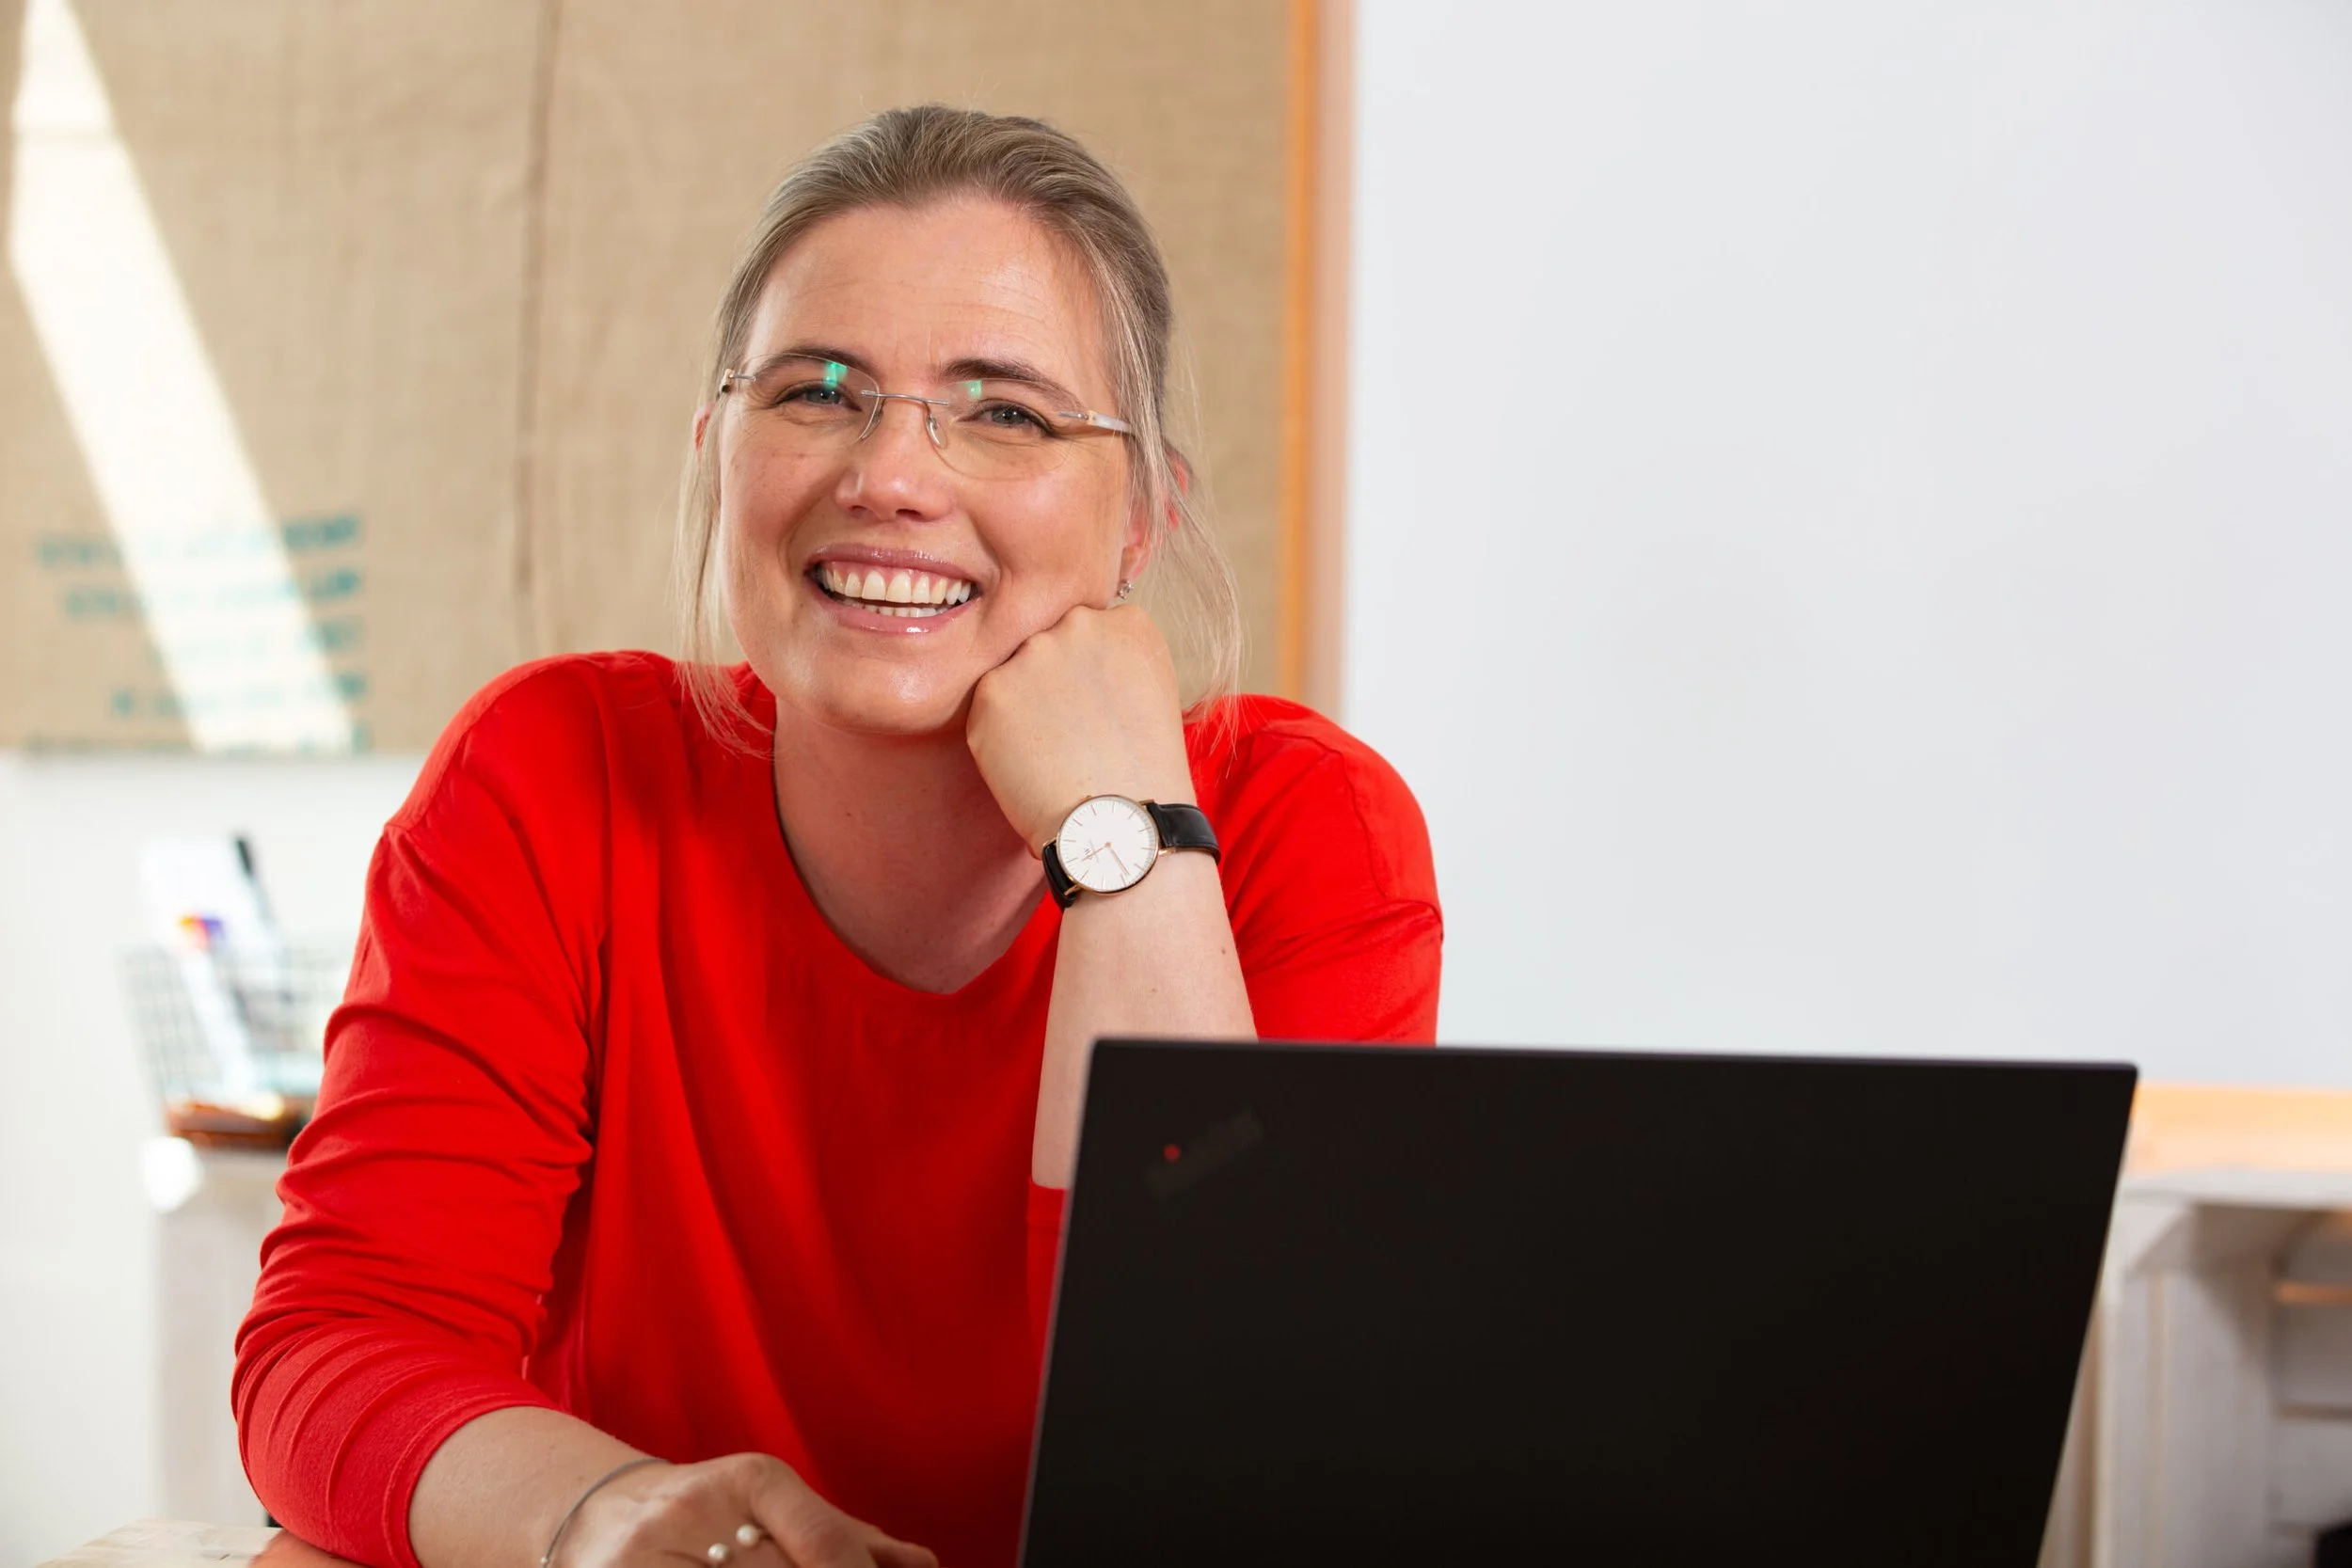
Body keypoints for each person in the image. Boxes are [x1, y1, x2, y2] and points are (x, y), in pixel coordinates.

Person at [234, 105, 1441, 1568]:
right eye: (818, 392)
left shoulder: (1312, 828)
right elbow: (342, 1344)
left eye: (1006, 412)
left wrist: (1128, 840)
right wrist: (605, 1512)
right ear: (718, 452)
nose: (889, 477)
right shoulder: (549, 776)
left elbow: (1238, 1456)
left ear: (1143, 518)